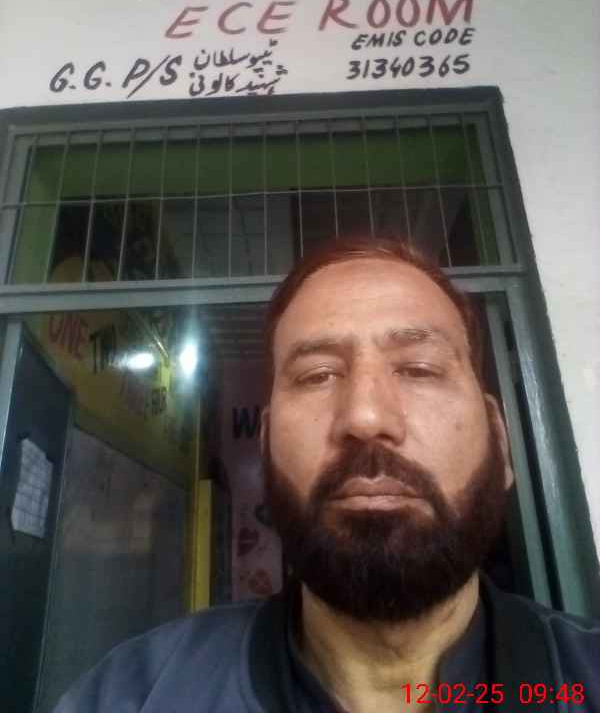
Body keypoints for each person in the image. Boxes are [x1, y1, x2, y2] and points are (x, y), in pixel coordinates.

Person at [54, 236, 600, 712]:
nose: (365, 417)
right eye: (317, 375)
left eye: (419, 368)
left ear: (500, 442)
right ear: (265, 447)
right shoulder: (133, 696)